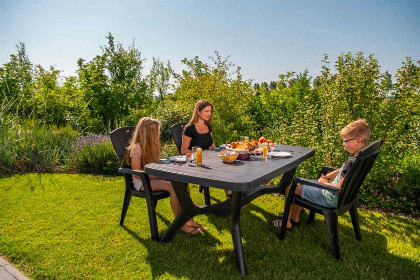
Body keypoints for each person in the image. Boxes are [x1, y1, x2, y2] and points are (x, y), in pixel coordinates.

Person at [272, 119, 371, 229]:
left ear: (358, 140)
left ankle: (286, 222)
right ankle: (294, 216)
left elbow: (339, 188)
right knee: (306, 184)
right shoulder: (360, 157)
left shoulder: (351, 162)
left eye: (346, 141)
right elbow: (342, 170)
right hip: (341, 198)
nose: (344, 144)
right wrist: (328, 177)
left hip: (330, 198)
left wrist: (324, 182)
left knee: (290, 189)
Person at [126, 117, 205, 234]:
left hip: (154, 176)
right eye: (157, 130)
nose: (159, 132)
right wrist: (161, 176)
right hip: (142, 181)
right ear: (149, 132)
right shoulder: (137, 147)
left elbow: (155, 164)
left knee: (182, 183)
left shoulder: (153, 145)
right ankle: (180, 224)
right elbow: (137, 174)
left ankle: (189, 219)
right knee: (172, 187)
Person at [181, 100, 233, 199]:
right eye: (206, 111)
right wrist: (199, 152)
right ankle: (230, 195)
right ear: (198, 112)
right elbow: (183, 150)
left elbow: (211, 144)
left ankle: (232, 194)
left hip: (209, 159)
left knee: (229, 162)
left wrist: (222, 153)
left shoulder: (208, 126)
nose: (209, 114)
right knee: (224, 168)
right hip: (197, 162)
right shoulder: (189, 129)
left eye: (210, 111)